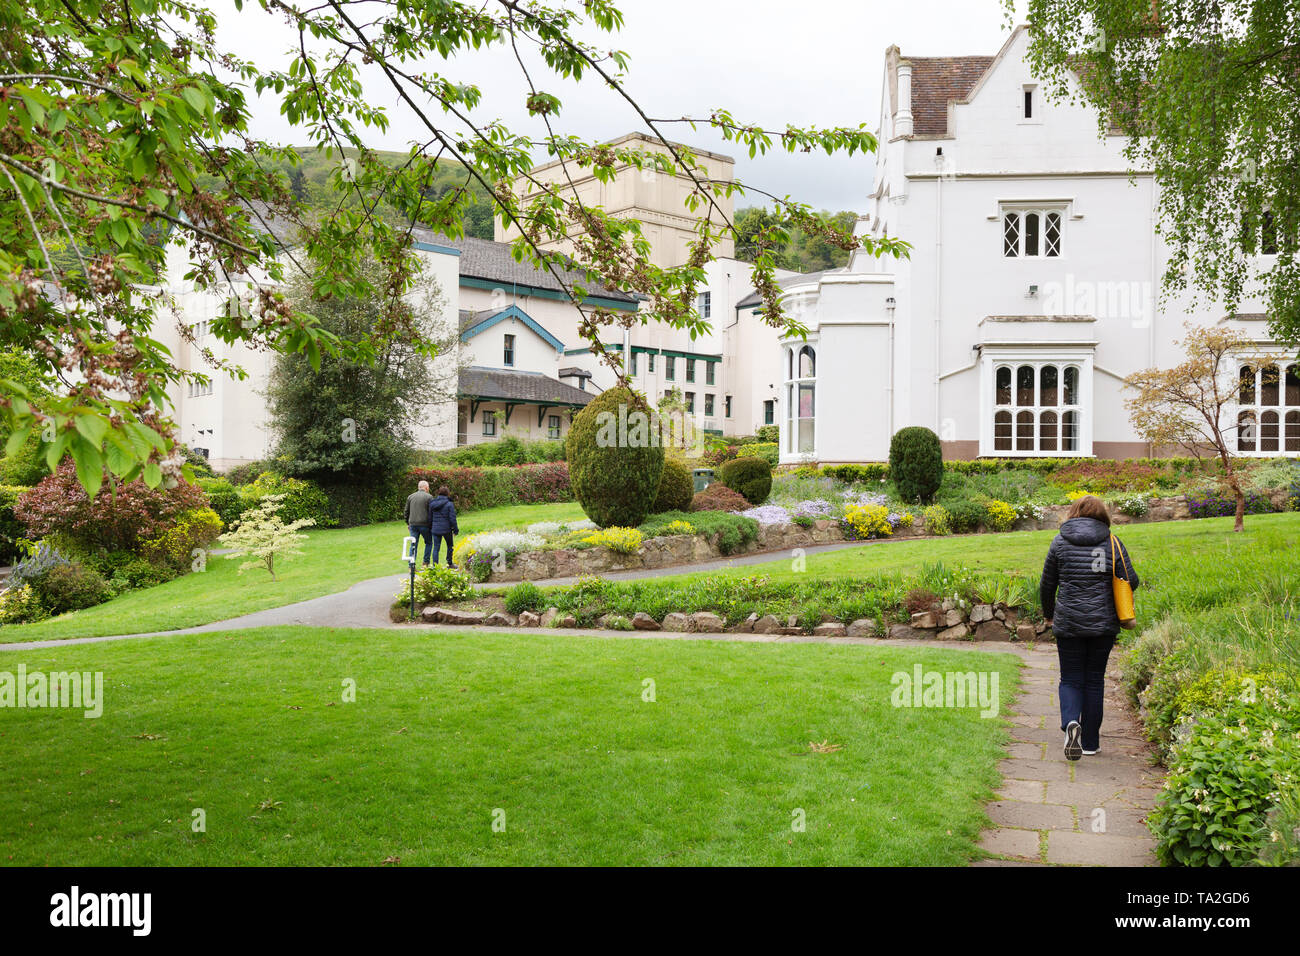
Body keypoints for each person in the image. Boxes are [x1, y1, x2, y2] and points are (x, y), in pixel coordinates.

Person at [1039, 494, 1139, 762]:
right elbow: (1132, 580)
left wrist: (1049, 615)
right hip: (1103, 625)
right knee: (1094, 680)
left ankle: (1071, 722)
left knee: (1071, 678)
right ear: (1103, 515)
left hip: (1069, 622)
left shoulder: (1060, 541)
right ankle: (1090, 743)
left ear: (1074, 512)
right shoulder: (1112, 542)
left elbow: (1047, 585)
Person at [403, 480, 435, 567]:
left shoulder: (410, 497)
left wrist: (408, 523)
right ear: (426, 487)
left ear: (419, 487)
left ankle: (411, 566)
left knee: (413, 544)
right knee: (429, 543)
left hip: (413, 524)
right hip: (425, 525)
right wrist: (432, 524)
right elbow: (431, 512)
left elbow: (406, 511)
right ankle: (425, 563)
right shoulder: (429, 497)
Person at [428, 485, 459, 568]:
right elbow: (452, 518)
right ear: (447, 493)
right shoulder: (449, 504)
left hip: (435, 529)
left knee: (436, 548)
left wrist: (430, 527)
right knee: (450, 546)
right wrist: (455, 530)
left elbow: (430, 517)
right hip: (447, 529)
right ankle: (449, 563)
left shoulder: (432, 503)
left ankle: (435, 566)